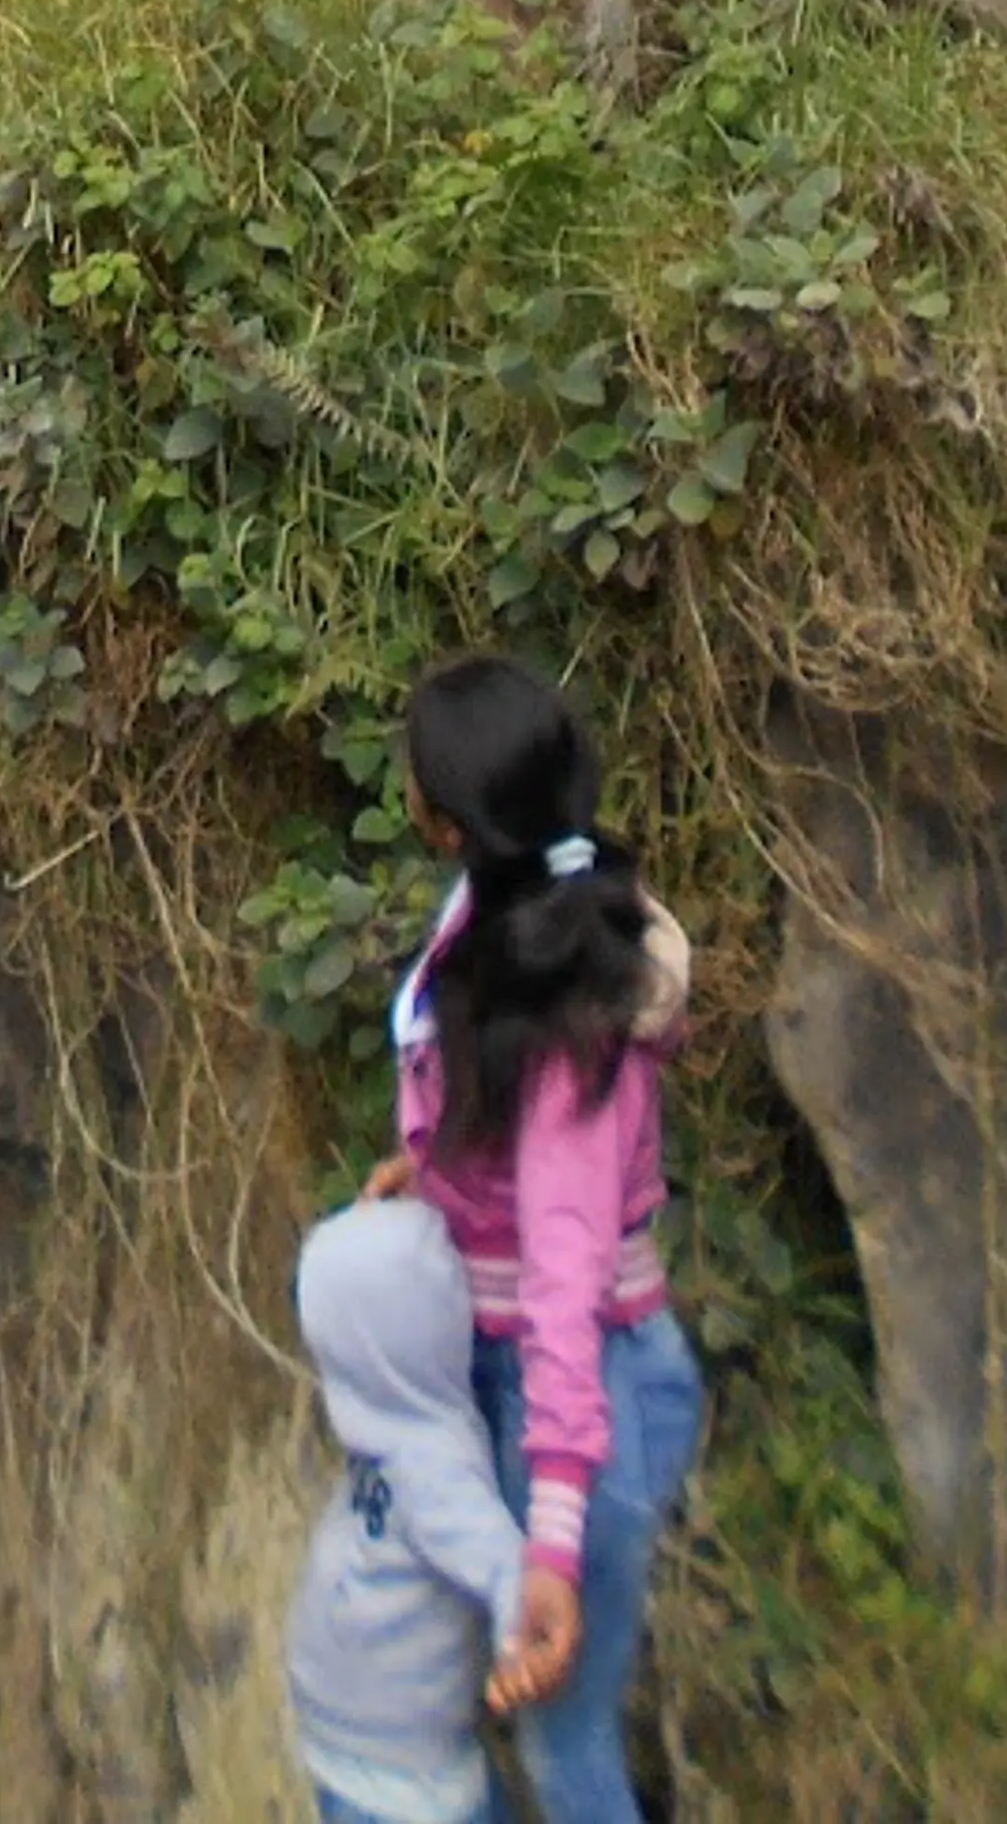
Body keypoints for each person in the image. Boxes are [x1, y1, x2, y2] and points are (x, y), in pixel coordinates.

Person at [371, 656, 704, 1824]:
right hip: (516, 1368)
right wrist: (434, 1176)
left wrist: (552, 1543)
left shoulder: (570, 1006)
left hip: (581, 1388)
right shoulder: (507, 913)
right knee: (489, 1720)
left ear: (444, 818)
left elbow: (565, 1272)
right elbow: (505, 1151)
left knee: (565, 1746)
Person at [285, 1192, 557, 1824]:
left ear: (375, 1349)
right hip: (362, 1748)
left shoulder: (435, 1467)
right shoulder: (392, 1420)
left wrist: (520, 1640)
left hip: (397, 1781)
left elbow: (502, 1562)